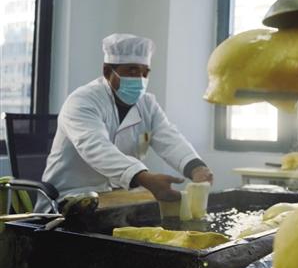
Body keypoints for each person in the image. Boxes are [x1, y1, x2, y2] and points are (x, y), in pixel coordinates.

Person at [38, 33, 213, 211]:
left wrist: (196, 168)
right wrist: (145, 178)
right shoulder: (82, 101)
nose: (140, 79)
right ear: (107, 71)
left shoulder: (147, 104)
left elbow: (169, 138)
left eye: (145, 73)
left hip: (117, 197)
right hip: (70, 199)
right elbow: (95, 147)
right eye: (132, 71)